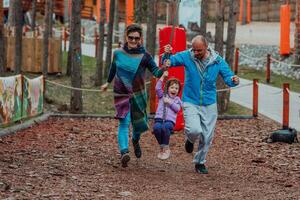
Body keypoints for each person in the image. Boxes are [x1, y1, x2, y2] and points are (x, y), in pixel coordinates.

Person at [163, 35, 240, 174]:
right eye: (194, 49)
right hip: (190, 99)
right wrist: (166, 55)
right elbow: (169, 62)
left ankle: (199, 162)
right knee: (194, 130)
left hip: (209, 102)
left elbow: (228, 77)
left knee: (207, 136)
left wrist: (234, 80)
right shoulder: (187, 56)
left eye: (199, 50)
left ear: (206, 47)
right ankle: (190, 140)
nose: (196, 53)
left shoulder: (217, 61)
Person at [101, 24, 166, 168]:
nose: (133, 41)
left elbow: (156, 72)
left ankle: (135, 140)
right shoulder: (118, 53)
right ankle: (124, 152)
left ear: (140, 39)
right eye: (131, 37)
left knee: (138, 125)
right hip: (121, 92)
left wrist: (165, 67)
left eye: (136, 38)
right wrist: (107, 83)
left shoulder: (145, 56)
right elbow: (113, 68)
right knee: (124, 122)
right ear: (126, 36)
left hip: (138, 95)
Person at [153, 71, 182, 160]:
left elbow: (177, 109)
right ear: (167, 88)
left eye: (176, 88)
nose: (174, 90)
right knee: (157, 128)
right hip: (159, 119)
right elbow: (157, 88)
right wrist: (162, 77)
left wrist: (169, 102)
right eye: (172, 87)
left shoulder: (177, 99)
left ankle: (166, 148)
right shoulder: (162, 95)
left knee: (165, 127)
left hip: (170, 121)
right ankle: (162, 146)